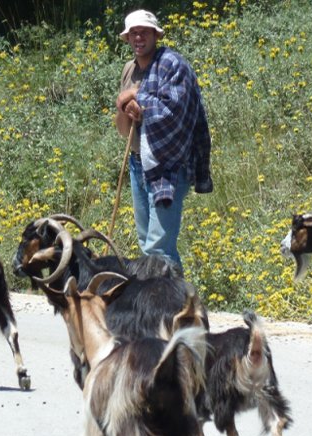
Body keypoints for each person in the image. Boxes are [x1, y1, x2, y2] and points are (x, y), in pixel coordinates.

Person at [115, 9, 213, 273]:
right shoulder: (129, 70)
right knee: (147, 245)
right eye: (133, 33)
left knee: (158, 249)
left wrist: (138, 96)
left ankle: (176, 307)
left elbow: (174, 112)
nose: (138, 37)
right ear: (127, 38)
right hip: (138, 163)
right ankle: (168, 307)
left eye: (144, 32)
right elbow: (124, 130)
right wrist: (124, 103)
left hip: (168, 165)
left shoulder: (173, 65)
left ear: (156, 35)